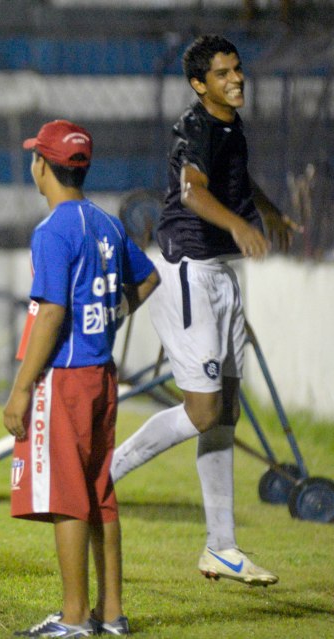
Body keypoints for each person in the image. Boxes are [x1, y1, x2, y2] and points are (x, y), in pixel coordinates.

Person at [110, 34, 300, 587]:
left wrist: (269, 212)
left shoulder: (229, 126)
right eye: (223, 73)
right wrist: (240, 225)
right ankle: (103, 475)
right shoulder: (194, 127)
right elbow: (194, 192)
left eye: (237, 69)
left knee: (226, 410)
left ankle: (221, 547)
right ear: (199, 84)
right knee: (201, 411)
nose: (237, 79)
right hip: (188, 270)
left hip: (221, 275)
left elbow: (236, 180)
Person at [3, 120, 159, 638]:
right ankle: (111, 614)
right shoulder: (107, 223)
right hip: (101, 374)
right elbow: (148, 277)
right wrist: (109, 318)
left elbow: (50, 313)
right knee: (99, 495)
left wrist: (21, 389)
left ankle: (74, 620)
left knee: (67, 498)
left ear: (41, 165)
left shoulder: (52, 230)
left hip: (63, 379)